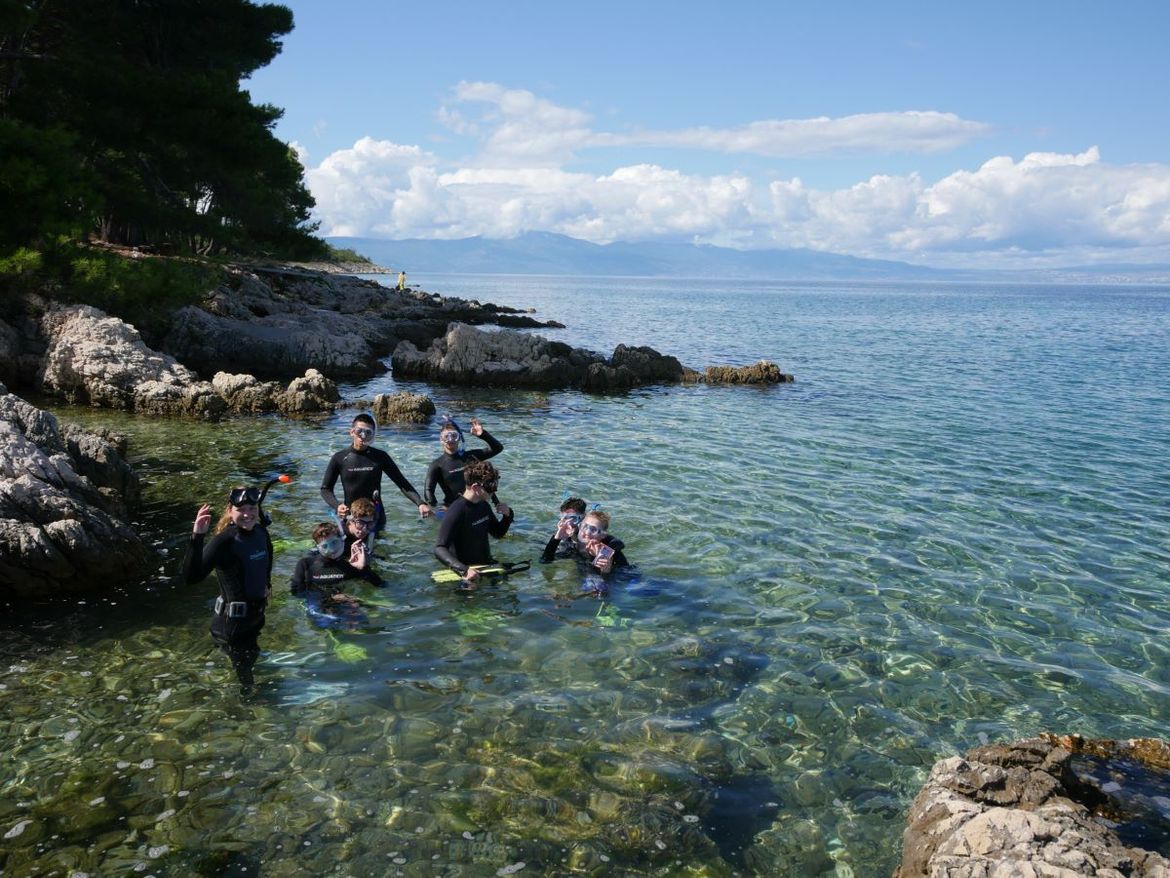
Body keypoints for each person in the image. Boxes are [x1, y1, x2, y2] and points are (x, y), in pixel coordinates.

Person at [180, 485, 274, 692]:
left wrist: (267, 585)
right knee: (245, 677)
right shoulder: (224, 541)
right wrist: (197, 537)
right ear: (230, 511)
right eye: (241, 509)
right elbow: (191, 578)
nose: (248, 514)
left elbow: (267, 560)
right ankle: (247, 705)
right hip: (232, 625)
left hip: (256, 617)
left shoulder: (260, 532)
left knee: (251, 656)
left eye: (252, 508)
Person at [320, 414, 431, 538]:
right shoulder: (339, 458)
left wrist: (420, 503)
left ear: (373, 435)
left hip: (375, 518)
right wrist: (337, 506)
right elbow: (326, 489)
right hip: (350, 518)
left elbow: (401, 482)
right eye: (359, 431)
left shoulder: (380, 457)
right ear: (351, 432)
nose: (363, 436)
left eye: (368, 432)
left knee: (378, 554)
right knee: (345, 553)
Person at [433, 459, 513, 585]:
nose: (494, 490)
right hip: (465, 573)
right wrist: (464, 570)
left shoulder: (483, 506)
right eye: (490, 486)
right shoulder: (457, 510)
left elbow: (498, 533)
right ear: (475, 487)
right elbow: (439, 548)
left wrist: (508, 516)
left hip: (485, 567)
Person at [291, 522, 383, 630]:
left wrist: (363, 567)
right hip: (318, 603)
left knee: (364, 624)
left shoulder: (349, 565)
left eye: (335, 543)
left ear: (342, 540)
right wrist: (330, 598)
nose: (332, 550)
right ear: (318, 547)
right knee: (325, 624)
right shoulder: (306, 563)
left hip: (345, 601)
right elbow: (296, 592)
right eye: (325, 546)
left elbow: (380, 584)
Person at [424, 416, 504, 512]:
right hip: (454, 509)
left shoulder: (471, 457)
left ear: (459, 437)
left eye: (454, 435)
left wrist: (483, 435)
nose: (450, 439)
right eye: (446, 436)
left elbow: (498, 448)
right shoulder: (437, 465)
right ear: (441, 439)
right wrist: (436, 508)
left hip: (477, 506)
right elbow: (428, 491)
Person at [541, 505, 630, 578]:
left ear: (603, 535)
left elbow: (605, 585)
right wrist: (556, 538)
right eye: (585, 527)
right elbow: (544, 561)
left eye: (593, 530)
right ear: (579, 527)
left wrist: (605, 570)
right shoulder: (571, 547)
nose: (587, 532)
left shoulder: (610, 553)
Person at [340, 496, 379, 563]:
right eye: (360, 523)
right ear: (351, 520)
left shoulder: (369, 532)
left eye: (370, 524)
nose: (364, 529)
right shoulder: (338, 535)